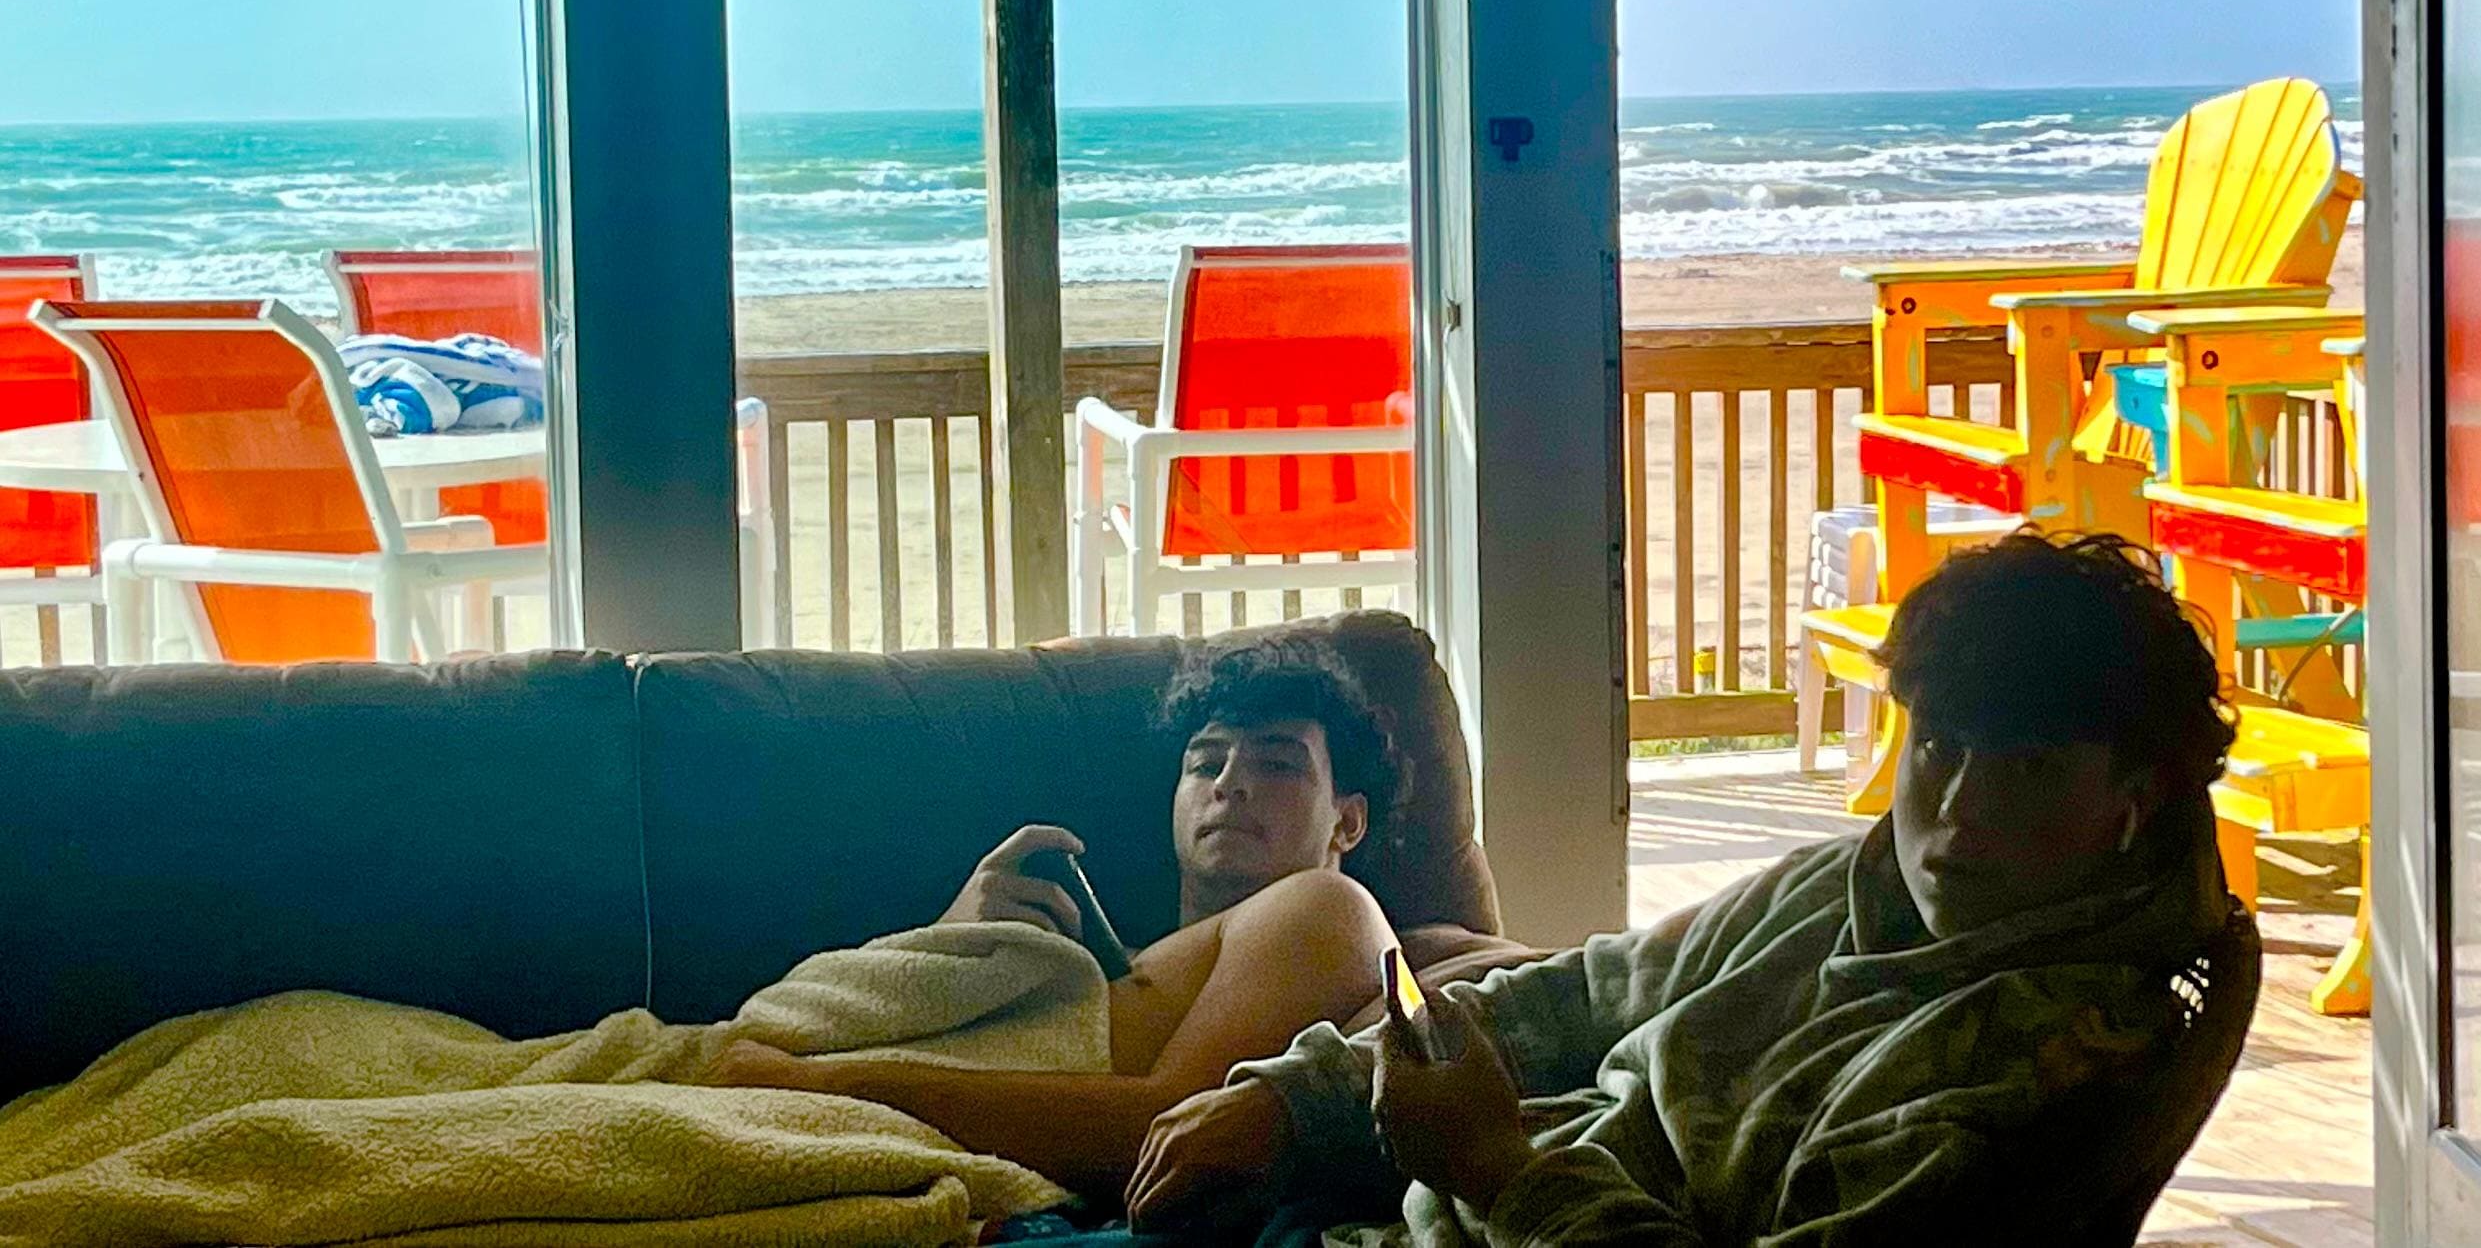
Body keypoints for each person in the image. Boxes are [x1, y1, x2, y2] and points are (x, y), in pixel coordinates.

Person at [1129, 532, 2259, 1246]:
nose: (1958, 809)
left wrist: (1497, 1168)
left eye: (2030, 769)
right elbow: (1592, 990)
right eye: (1937, 746)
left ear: (2138, 796)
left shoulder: (2044, 1071)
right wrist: (1294, 1097)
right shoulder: (1858, 880)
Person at [706, 638, 1407, 1198]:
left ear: (1347, 820)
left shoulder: (1326, 905)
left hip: (816, 1103)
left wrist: (822, 1085)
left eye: (1277, 764)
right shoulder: (1119, 951)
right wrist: (951, 945)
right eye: (1204, 763)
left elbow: (1171, 1132)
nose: (1228, 783)